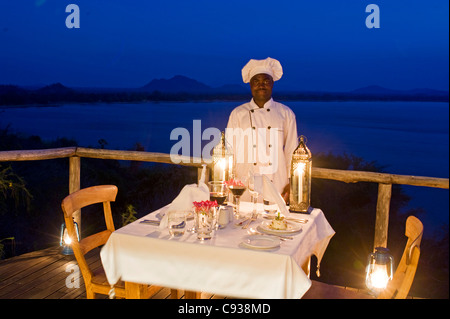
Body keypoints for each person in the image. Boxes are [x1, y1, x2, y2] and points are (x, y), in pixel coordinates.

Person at [225, 57, 298, 202]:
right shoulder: (238, 113)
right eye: (256, 81)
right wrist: (227, 180)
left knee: (275, 222)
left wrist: (292, 183)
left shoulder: (286, 113)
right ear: (251, 85)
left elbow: (291, 151)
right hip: (244, 184)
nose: (261, 85)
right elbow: (229, 151)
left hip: (277, 182)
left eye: (266, 81)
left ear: (272, 83)